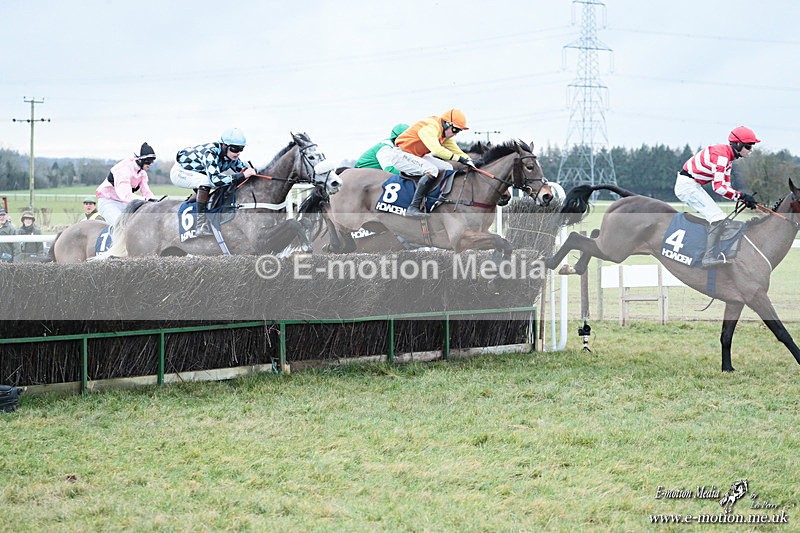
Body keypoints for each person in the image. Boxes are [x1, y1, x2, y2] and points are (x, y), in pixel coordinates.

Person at [675, 126, 760, 268]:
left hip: (694, 185)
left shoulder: (728, 159)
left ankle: (715, 253)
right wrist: (741, 195)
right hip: (687, 186)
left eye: (752, 146)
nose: (750, 150)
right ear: (737, 144)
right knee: (718, 218)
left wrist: (742, 198)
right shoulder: (721, 156)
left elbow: (725, 188)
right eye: (748, 146)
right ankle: (707, 258)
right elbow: (719, 188)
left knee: (721, 219)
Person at [170, 128, 256, 236]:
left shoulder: (231, 157)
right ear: (224, 146)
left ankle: (196, 200)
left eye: (241, 149)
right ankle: (200, 226)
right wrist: (242, 175)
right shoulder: (210, 153)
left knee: (221, 182)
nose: (238, 153)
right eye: (235, 148)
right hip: (180, 172)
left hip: (197, 173)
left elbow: (244, 171)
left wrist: (252, 172)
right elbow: (215, 180)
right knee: (207, 182)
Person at [393, 109, 475, 217]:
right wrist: (460, 159)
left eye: (458, 131)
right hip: (401, 154)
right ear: (446, 124)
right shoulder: (430, 127)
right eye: (455, 130)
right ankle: (413, 207)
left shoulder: (444, 134)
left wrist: (470, 160)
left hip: (416, 155)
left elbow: (456, 151)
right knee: (432, 170)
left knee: (448, 167)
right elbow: (437, 150)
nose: (455, 134)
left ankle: (435, 199)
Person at [96, 142, 158, 225]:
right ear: (139, 159)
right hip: (109, 201)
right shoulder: (123, 171)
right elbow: (125, 196)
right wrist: (146, 200)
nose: (150, 164)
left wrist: (155, 201)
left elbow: (146, 192)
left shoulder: (142, 173)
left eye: (152, 161)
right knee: (120, 226)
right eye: (148, 161)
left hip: (124, 203)